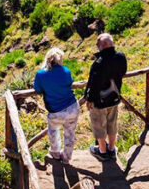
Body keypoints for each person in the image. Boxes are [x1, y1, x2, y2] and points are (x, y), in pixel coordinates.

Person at [85, 33, 127, 161]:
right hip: (114, 97)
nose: (96, 46)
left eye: (98, 44)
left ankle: (102, 152)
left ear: (103, 45)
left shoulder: (99, 62)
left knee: (99, 125)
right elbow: (123, 72)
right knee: (112, 124)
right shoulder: (120, 57)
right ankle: (112, 149)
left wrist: (89, 99)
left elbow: (93, 83)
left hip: (99, 100)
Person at [33, 47, 79, 165]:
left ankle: (55, 153)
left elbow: (37, 89)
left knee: (53, 131)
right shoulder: (66, 71)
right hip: (72, 107)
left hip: (55, 110)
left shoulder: (41, 74)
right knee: (70, 134)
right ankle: (66, 158)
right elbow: (70, 82)